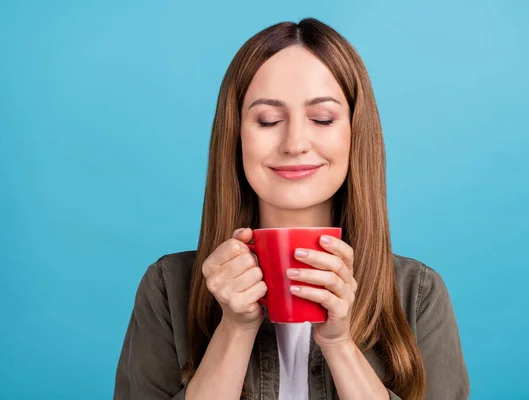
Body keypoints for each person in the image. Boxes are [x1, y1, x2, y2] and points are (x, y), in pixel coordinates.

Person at [113, 18, 469, 400]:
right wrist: (234, 329)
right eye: (268, 120)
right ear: (235, 136)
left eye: (322, 118)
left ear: (354, 133)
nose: (295, 142)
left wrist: (340, 344)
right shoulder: (168, 287)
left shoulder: (417, 293)